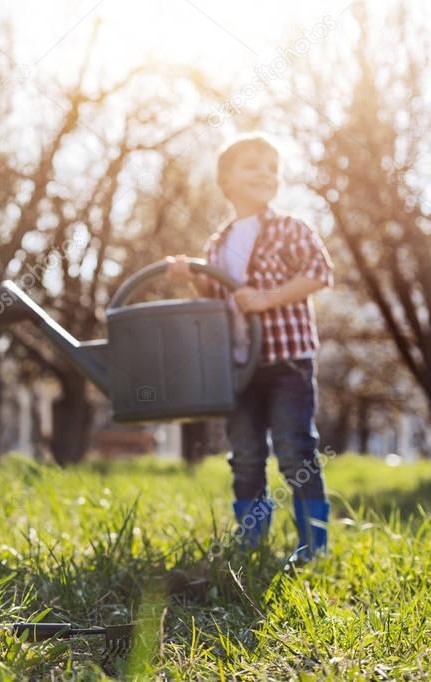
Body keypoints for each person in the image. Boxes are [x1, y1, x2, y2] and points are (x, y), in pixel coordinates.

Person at [165, 133, 335, 562]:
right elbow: (212, 296)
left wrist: (267, 298)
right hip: (239, 366)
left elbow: (319, 273)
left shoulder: (289, 228)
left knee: (296, 449)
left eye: (271, 168)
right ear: (225, 180)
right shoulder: (218, 243)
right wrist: (188, 275)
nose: (264, 174)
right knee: (245, 455)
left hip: (287, 362)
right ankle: (251, 542)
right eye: (251, 166)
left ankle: (313, 546)